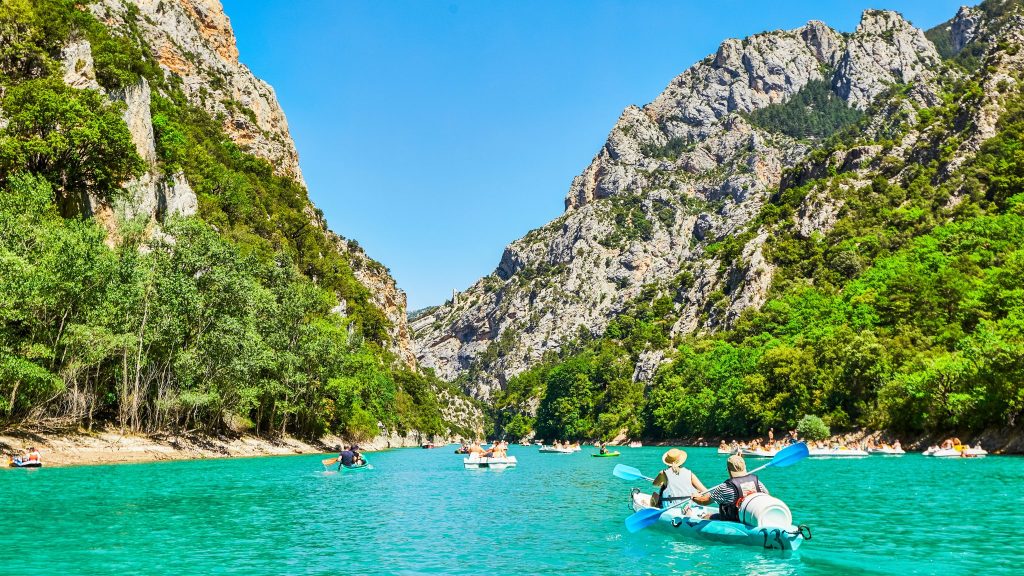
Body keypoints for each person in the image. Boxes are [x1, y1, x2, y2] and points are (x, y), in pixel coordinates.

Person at [692, 454, 769, 522]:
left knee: (707, 516)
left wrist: (695, 497)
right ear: (745, 467)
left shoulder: (725, 487)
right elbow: (767, 496)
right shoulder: (758, 482)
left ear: (728, 470)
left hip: (734, 521)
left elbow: (705, 502)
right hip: (752, 518)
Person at [651, 449, 707, 516]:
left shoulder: (663, 473)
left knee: (655, 495)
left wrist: (663, 484)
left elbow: (655, 484)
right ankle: (687, 509)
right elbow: (705, 491)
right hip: (688, 503)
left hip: (670, 506)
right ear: (681, 461)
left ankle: (653, 510)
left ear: (667, 462)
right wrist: (698, 493)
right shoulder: (690, 473)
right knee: (695, 492)